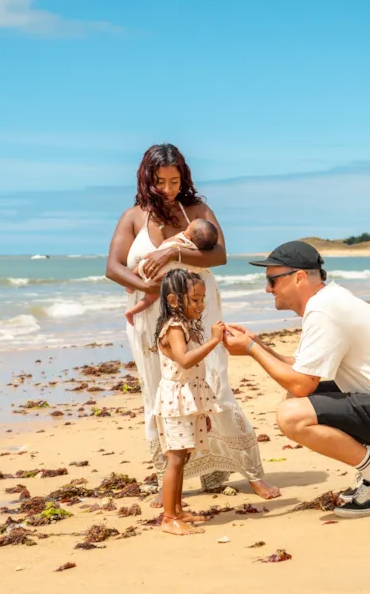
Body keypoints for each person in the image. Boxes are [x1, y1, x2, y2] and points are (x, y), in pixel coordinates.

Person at [104, 143, 279, 503]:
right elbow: (113, 267)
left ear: (183, 177)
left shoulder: (197, 210)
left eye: (174, 180)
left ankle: (248, 472)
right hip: (151, 316)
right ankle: (169, 478)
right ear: (146, 180)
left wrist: (173, 251)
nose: (168, 189)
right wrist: (148, 286)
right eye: (160, 182)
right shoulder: (133, 216)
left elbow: (220, 255)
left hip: (199, 310)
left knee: (214, 385)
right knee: (160, 393)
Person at [222, 240, 370, 518]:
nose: (267, 289)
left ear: (299, 277)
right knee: (297, 401)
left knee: (292, 415)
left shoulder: (324, 310)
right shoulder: (329, 301)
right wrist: (258, 344)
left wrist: (251, 351)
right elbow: (302, 370)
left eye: (272, 281)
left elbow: (301, 382)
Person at [152, 269, 226, 535]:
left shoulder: (183, 326)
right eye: (194, 300)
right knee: (175, 458)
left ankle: (177, 510)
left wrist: (202, 410)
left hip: (186, 400)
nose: (201, 305)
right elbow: (184, 360)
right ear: (174, 301)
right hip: (175, 400)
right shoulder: (173, 327)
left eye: (202, 299)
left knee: (182, 457)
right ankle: (169, 517)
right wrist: (215, 340)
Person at [124, 218, 219, 326]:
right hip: (163, 275)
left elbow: (165, 243)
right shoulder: (193, 251)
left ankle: (131, 286)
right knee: (149, 298)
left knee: (142, 263)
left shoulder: (179, 239)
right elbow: (199, 267)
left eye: (187, 229)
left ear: (188, 236)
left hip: (150, 266)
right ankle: (131, 312)